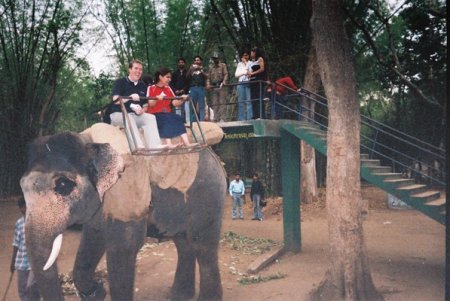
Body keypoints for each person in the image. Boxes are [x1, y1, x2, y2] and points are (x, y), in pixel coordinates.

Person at [110, 59, 167, 152]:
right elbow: (115, 100)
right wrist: (130, 97)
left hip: (134, 115)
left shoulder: (142, 85)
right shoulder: (120, 82)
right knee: (129, 117)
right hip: (118, 114)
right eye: (136, 68)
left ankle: (155, 146)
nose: (138, 71)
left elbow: (145, 105)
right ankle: (138, 147)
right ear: (129, 69)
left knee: (150, 117)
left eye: (140, 69)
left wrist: (142, 111)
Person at [146, 67, 200, 148]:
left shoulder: (168, 88)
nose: (170, 79)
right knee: (166, 118)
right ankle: (169, 144)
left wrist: (182, 99)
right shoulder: (151, 88)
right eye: (167, 77)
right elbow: (150, 104)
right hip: (155, 114)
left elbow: (175, 103)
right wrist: (157, 99)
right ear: (160, 77)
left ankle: (187, 143)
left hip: (166, 114)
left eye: (170, 77)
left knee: (178, 117)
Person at [10, 198, 40, 301]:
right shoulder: (18, 223)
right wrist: (12, 261)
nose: (25, 209)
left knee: (31, 286)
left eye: (26, 206)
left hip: (34, 262)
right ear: (20, 208)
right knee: (22, 289)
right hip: (21, 261)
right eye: (22, 207)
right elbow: (16, 243)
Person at [207, 52, 229, 122]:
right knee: (215, 103)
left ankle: (223, 118)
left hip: (221, 86)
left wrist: (224, 81)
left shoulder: (223, 65)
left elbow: (226, 74)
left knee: (222, 102)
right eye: (214, 58)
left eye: (216, 58)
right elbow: (208, 77)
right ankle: (215, 118)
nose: (215, 60)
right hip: (214, 87)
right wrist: (208, 84)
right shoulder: (211, 68)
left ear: (218, 58)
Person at [186, 55, 208, 122]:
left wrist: (200, 69)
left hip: (201, 88)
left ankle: (202, 122)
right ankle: (193, 122)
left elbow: (207, 76)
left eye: (198, 60)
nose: (196, 61)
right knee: (192, 106)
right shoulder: (191, 69)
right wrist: (190, 69)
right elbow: (187, 77)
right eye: (195, 60)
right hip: (193, 89)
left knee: (202, 106)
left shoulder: (203, 69)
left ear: (200, 61)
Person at [248, 47, 268, 119]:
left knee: (259, 97)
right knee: (253, 97)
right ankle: (255, 115)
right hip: (252, 80)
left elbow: (262, 69)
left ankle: (261, 115)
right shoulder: (252, 61)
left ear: (255, 52)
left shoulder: (260, 59)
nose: (251, 54)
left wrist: (253, 73)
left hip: (258, 79)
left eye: (252, 52)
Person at [234, 50, 253, 121]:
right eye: (244, 55)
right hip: (241, 83)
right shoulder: (239, 64)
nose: (245, 56)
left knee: (249, 101)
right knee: (241, 101)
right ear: (242, 56)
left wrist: (245, 64)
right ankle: (241, 118)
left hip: (248, 82)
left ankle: (249, 118)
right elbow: (236, 75)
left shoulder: (250, 63)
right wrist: (244, 73)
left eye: (246, 55)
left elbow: (250, 72)